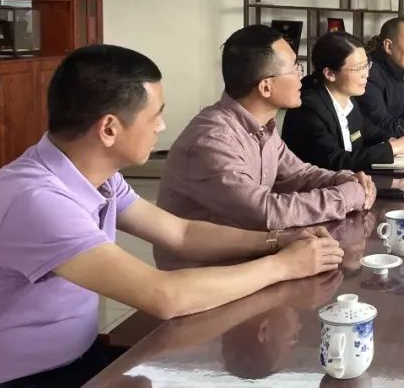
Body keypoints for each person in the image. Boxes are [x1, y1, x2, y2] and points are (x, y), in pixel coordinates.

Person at [0, 45, 344, 388]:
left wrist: (277, 241)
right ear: (109, 128)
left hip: (72, 365)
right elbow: (163, 295)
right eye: (156, 115)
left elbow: (181, 233)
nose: (162, 126)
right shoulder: (37, 200)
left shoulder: (96, 177)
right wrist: (284, 265)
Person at [157, 25, 376, 269]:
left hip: (255, 258)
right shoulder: (213, 140)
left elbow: (299, 174)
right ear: (265, 87)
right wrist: (345, 197)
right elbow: (265, 213)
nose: (301, 76)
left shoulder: (263, 127)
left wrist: (343, 178)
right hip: (206, 273)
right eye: (294, 68)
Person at [282, 32, 404, 172]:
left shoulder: (348, 99)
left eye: (366, 65)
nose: (366, 74)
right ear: (330, 74)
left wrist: (392, 140)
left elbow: (365, 130)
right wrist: (393, 148)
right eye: (358, 68)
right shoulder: (308, 109)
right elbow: (335, 161)